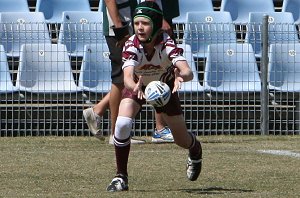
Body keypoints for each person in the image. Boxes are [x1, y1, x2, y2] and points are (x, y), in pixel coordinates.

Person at [106, 1, 202, 192]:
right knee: (122, 123)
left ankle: (195, 149)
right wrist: (136, 88)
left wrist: (179, 75)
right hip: (138, 87)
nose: (140, 28)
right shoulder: (131, 44)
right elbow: (126, 78)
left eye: (145, 23)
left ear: (156, 25)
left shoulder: (167, 42)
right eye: (136, 23)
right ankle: (120, 177)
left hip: (165, 88)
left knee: (180, 139)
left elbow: (188, 72)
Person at [83, 0, 179, 143]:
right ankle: (116, 133)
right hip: (122, 24)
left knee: (145, 72)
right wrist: (119, 27)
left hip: (131, 21)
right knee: (121, 78)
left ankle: (99, 111)